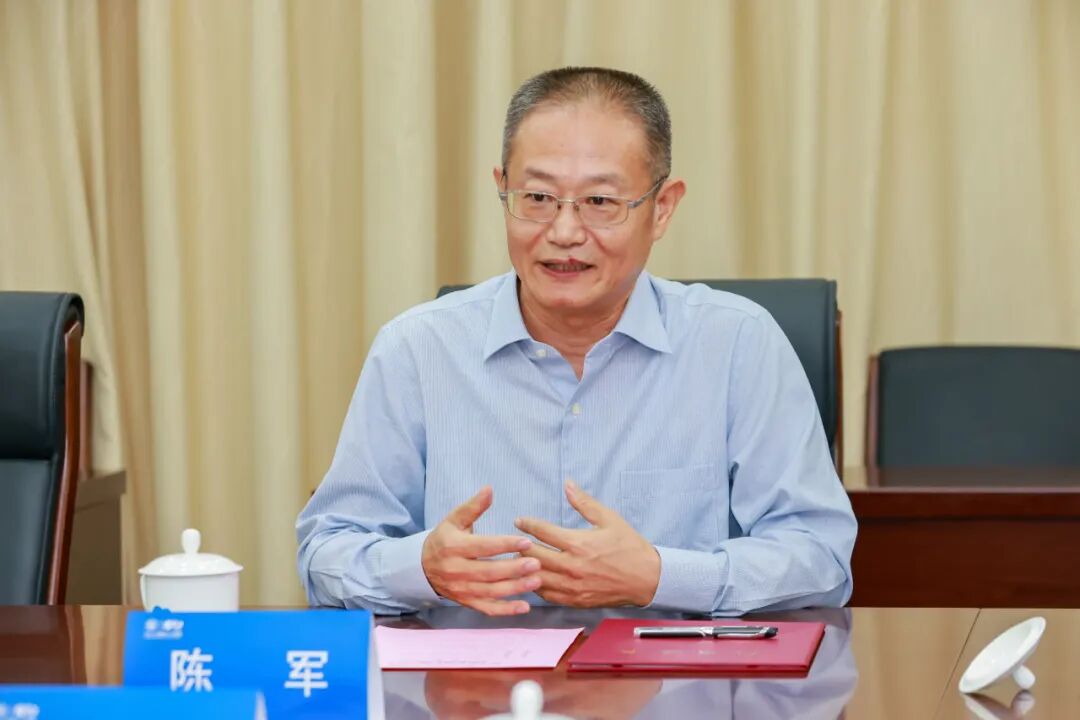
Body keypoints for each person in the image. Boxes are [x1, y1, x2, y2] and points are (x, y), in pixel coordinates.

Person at [296, 66, 856, 616]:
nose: (564, 232)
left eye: (600, 202)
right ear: (502, 190)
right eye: (537, 197)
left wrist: (659, 575)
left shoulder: (737, 344)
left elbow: (819, 557)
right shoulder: (417, 349)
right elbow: (326, 552)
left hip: (672, 674)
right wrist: (421, 568)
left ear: (662, 208)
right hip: (475, 673)